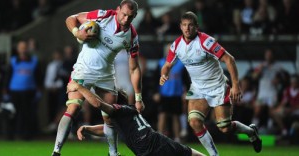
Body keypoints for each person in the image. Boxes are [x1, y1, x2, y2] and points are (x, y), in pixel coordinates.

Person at [159, 11, 262, 156]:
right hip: (198, 88)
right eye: (184, 25)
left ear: (196, 26)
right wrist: (164, 74)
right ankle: (214, 155)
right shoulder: (176, 45)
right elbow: (168, 64)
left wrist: (235, 85)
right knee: (194, 122)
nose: (187, 28)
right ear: (180, 27)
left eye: (190, 25)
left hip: (217, 86)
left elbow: (229, 59)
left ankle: (251, 132)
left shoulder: (206, 42)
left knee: (224, 127)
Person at [52, 1, 144, 156]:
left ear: (135, 16)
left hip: (106, 75)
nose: (126, 19)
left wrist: (138, 97)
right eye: (124, 14)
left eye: (130, 16)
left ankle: (113, 153)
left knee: (110, 116)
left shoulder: (132, 37)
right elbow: (71, 18)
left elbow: (134, 68)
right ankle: (56, 152)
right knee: (73, 108)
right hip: (83, 71)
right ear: (118, 10)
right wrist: (77, 32)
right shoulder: (104, 16)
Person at [66, 80, 205, 156]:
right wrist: (87, 129)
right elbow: (108, 130)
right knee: (188, 153)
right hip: (158, 141)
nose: (104, 95)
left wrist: (79, 86)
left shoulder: (119, 110)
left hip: (149, 149)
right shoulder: (124, 114)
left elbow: (97, 103)